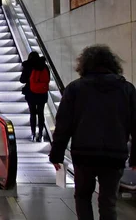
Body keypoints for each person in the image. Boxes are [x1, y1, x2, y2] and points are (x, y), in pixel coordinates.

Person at [50, 45, 136, 220]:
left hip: (84, 154)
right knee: (108, 202)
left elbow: (63, 125)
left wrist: (56, 154)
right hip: (115, 154)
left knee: (82, 197)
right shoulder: (127, 89)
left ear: (85, 64)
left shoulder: (75, 88)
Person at [20, 51, 50, 142]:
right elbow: (47, 79)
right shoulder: (44, 66)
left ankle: (33, 134)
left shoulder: (28, 66)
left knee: (32, 113)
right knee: (41, 113)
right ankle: (40, 134)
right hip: (42, 94)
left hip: (31, 93)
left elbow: (22, 80)